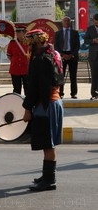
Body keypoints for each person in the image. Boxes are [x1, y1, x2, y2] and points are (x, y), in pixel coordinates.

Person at [22, 28, 64, 192]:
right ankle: (46, 175)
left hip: (46, 105)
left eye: (30, 44)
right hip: (55, 102)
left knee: (48, 144)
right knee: (49, 143)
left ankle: (49, 180)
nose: (28, 48)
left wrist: (27, 108)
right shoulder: (55, 54)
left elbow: (36, 88)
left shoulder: (41, 59)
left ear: (35, 42)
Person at [54, 16, 80, 99]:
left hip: (72, 55)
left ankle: (73, 93)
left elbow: (77, 46)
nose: (67, 22)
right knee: (61, 75)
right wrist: (62, 55)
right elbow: (56, 46)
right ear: (62, 22)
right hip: (62, 56)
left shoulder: (75, 33)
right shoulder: (58, 33)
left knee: (73, 76)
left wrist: (71, 55)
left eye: (68, 21)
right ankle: (60, 93)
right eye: (65, 21)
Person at [6, 25, 30, 95]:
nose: (17, 33)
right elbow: (9, 55)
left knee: (28, 88)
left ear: (24, 32)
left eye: (19, 32)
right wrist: (15, 61)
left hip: (26, 68)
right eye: (17, 32)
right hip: (15, 69)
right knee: (16, 89)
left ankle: (27, 104)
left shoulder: (29, 42)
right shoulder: (12, 42)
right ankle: (16, 103)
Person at [84, 13, 98, 100]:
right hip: (93, 56)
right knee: (94, 75)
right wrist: (93, 40)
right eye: (95, 21)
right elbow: (85, 40)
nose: (96, 23)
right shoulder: (90, 29)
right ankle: (94, 93)